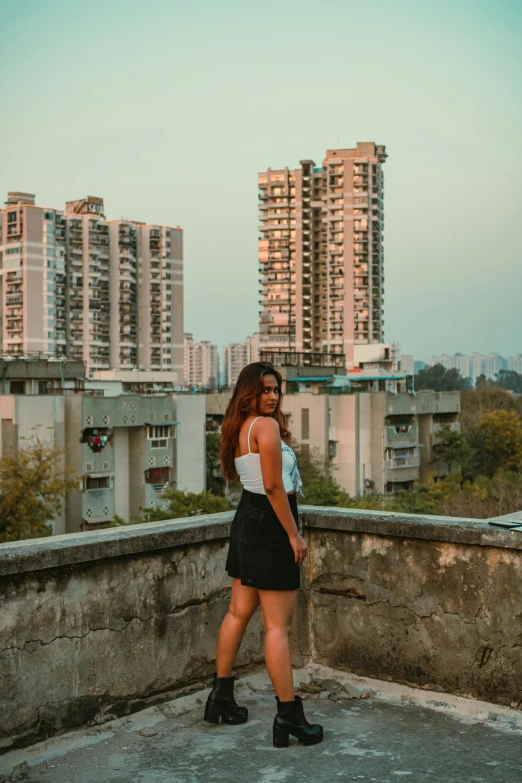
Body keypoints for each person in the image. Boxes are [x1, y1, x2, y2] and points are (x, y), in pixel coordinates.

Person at [204, 362, 323, 748]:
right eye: (266, 390)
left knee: (238, 613)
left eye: (277, 390)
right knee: (277, 628)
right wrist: (294, 536)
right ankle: (288, 716)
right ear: (249, 393)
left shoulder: (242, 427)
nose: (272, 396)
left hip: (247, 522)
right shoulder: (266, 427)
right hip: (271, 527)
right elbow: (274, 487)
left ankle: (220, 698)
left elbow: (259, 480)